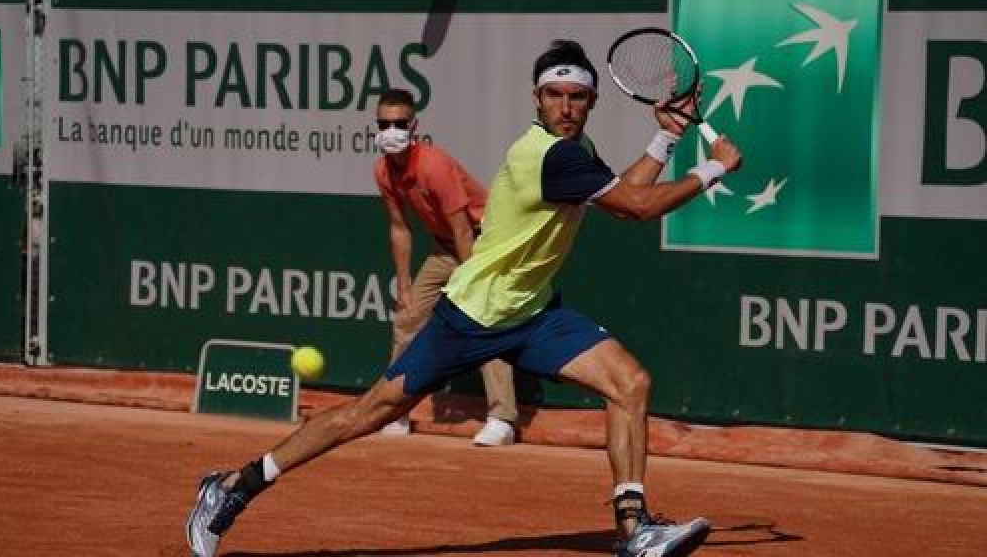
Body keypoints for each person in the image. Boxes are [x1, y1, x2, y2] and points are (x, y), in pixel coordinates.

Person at [186, 39, 742, 557]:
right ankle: (233, 486)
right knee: (370, 413)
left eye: (577, 97)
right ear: (537, 98)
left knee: (629, 383)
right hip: (473, 316)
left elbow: (625, 193)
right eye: (554, 95)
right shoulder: (549, 156)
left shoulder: (576, 150)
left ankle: (634, 530)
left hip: (532, 312)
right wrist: (714, 166)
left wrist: (666, 138)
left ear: (592, 101)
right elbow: (637, 209)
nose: (566, 107)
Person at [371, 88, 518, 445]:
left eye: (399, 124)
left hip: (480, 243)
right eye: (384, 124)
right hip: (444, 249)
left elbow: (463, 229)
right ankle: (396, 411)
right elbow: (399, 228)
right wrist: (404, 285)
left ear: (414, 126)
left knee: (482, 319)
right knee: (407, 317)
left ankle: (502, 419)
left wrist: (472, 283)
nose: (391, 131)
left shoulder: (434, 165)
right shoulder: (383, 171)